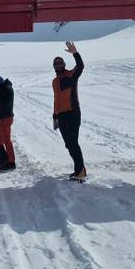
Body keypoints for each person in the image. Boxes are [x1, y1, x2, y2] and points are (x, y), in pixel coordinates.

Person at [52, 41, 86, 180]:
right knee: (69, 144)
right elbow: (56, 99)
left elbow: (80, 66)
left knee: (73, 143)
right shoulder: (55, 81)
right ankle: (78, 170)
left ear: (64, 65)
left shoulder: (71, 75)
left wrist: (75, 53)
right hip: (62, 115)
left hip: (72, 113)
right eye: (56, 63)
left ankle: (81, 171)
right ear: (54, 66)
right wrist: (55, 116)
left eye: (60, 63)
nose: (58, 65)